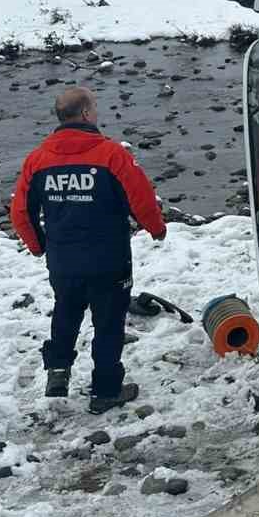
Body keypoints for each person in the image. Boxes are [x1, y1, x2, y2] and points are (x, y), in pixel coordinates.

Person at [10, 84, 166, 413]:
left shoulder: (37, 160)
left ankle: (58, 370)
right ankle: (106, 391)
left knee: (66, 311)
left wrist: (39, 247)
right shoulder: (111, 154)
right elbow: (142, 199)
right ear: (84, 114)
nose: (97, 112)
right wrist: (156, 229)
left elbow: (20, 212)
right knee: (108, 324)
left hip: (64, 261)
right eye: (94, 106)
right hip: (109, 260)